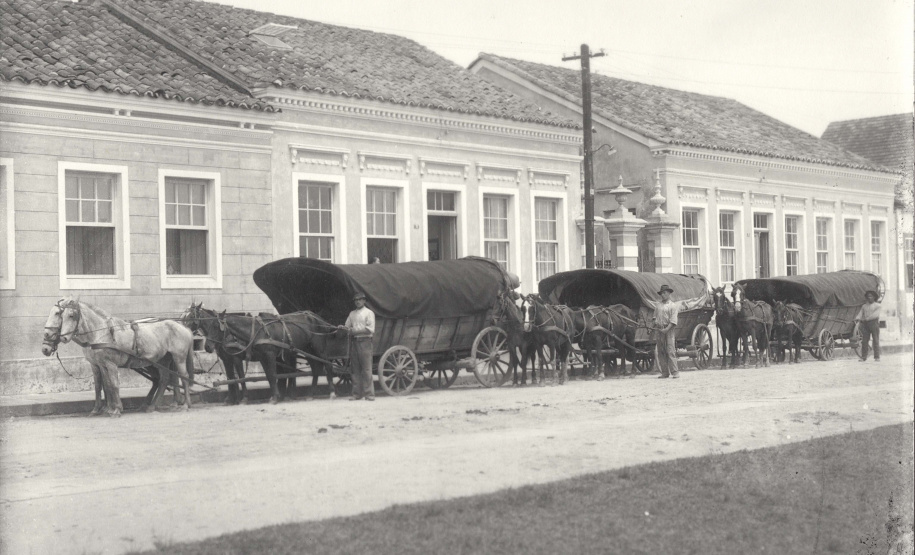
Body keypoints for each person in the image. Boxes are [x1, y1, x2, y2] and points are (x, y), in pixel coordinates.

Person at [341, 292, 376, 400]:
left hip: (365, 342)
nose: (357, 301)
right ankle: (356, 394)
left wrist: (353, 331)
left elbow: (370, 329)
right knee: (355, 369)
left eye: (360, 299)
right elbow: (347, 327)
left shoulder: (369, 313)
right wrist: (342, 328)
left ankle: (369, 395)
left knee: (366, 369)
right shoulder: (352, 314)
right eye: (356, 300)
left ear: (364, 301)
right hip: (354, 343)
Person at [652, 284, 680, 379]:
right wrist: (654, 326)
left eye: (664, 293)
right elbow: (654, 317)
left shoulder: (673, 306)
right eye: (661, 293)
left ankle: (675, 372)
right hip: (659, 330)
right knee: (661, 351)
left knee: (670, 351)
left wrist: (666, 329)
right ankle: (665, 372)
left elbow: (673, 320)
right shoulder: (658, 305)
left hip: (669, 331)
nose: (662, 295)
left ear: (669, 293)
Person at [855, 290, 882, 362]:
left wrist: (866, 319)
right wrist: (857, 318)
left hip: (874, 324)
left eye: (871, 296)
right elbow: (860, 313)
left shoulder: (878, 306)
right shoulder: (864, 306)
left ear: (874, 297)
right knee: (864, 341)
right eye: (868, 296)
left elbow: (875, 315)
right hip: (866, 325)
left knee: (875, 340)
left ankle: (877, 357)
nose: (869, 298)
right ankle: (863, 357)